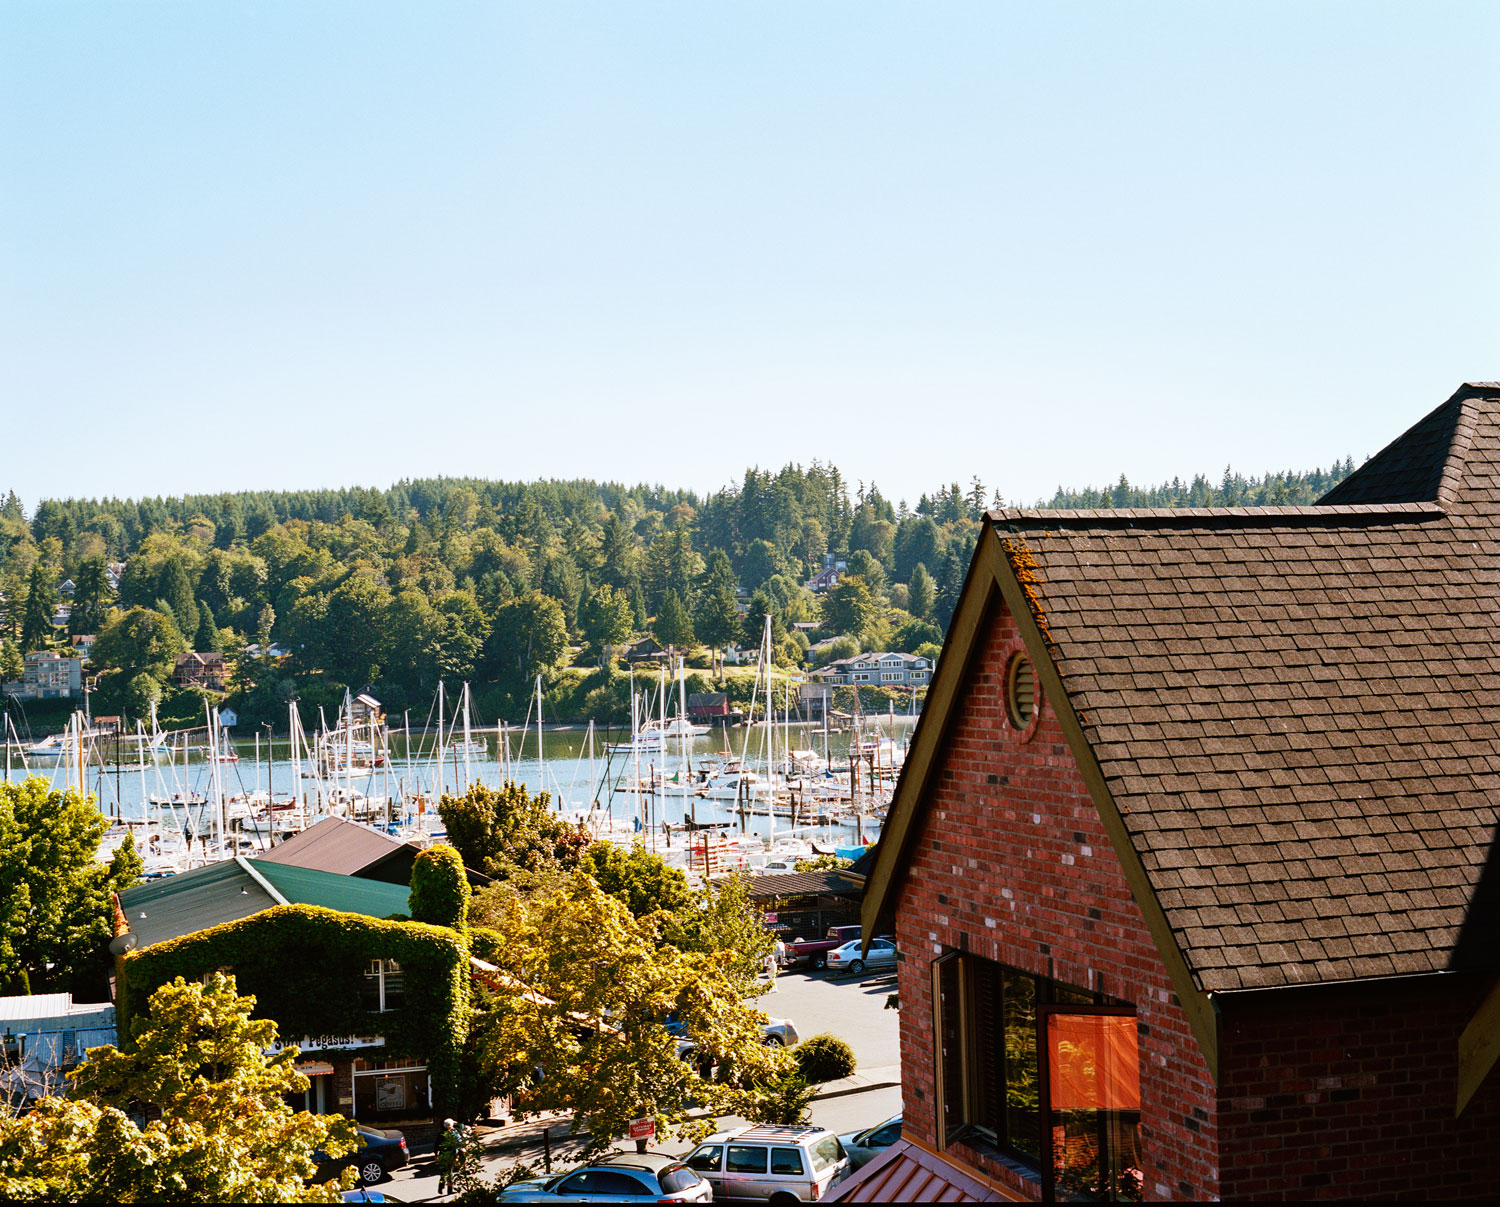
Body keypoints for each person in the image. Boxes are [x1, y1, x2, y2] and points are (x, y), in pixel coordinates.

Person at [436, 1117, 459, 1196]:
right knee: (450, 1173)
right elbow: (456, 1145)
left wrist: (436, 1154)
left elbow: (436, 1145)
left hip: (442, 1154)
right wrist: (457, 1155)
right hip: (450, 1155)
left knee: (442, 1172)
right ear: (450, 1126)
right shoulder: (452, 1134)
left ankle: (441, 1186)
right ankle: (449, 1190)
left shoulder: (440, 1133)